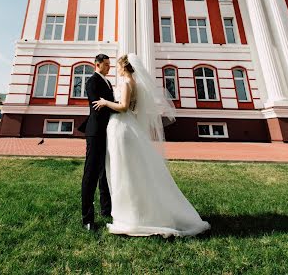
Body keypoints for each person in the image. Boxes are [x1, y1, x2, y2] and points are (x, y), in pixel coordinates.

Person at [92, 53, 211, 238]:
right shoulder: (136, 84)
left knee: (122, 169)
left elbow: (123, 107)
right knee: (131, 169)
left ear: (124, 67)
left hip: (121, 126)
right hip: (128, 125)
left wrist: (106, 102)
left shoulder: (125, 83)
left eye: (117, 65)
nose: (115, 68)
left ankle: (131, 216)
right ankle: (135, 212)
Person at [78, 53, 116, 231]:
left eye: (109, 64)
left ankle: (106, 209)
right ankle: (87, 218)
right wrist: (115, 105)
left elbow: (107, 104)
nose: (109, 67)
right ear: (97, 64)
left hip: (107, 131)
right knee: (91, 173)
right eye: (106, 64)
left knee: (104, 172)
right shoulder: (92, 81)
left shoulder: (107, 82)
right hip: (95, 132)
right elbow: (97, 105)